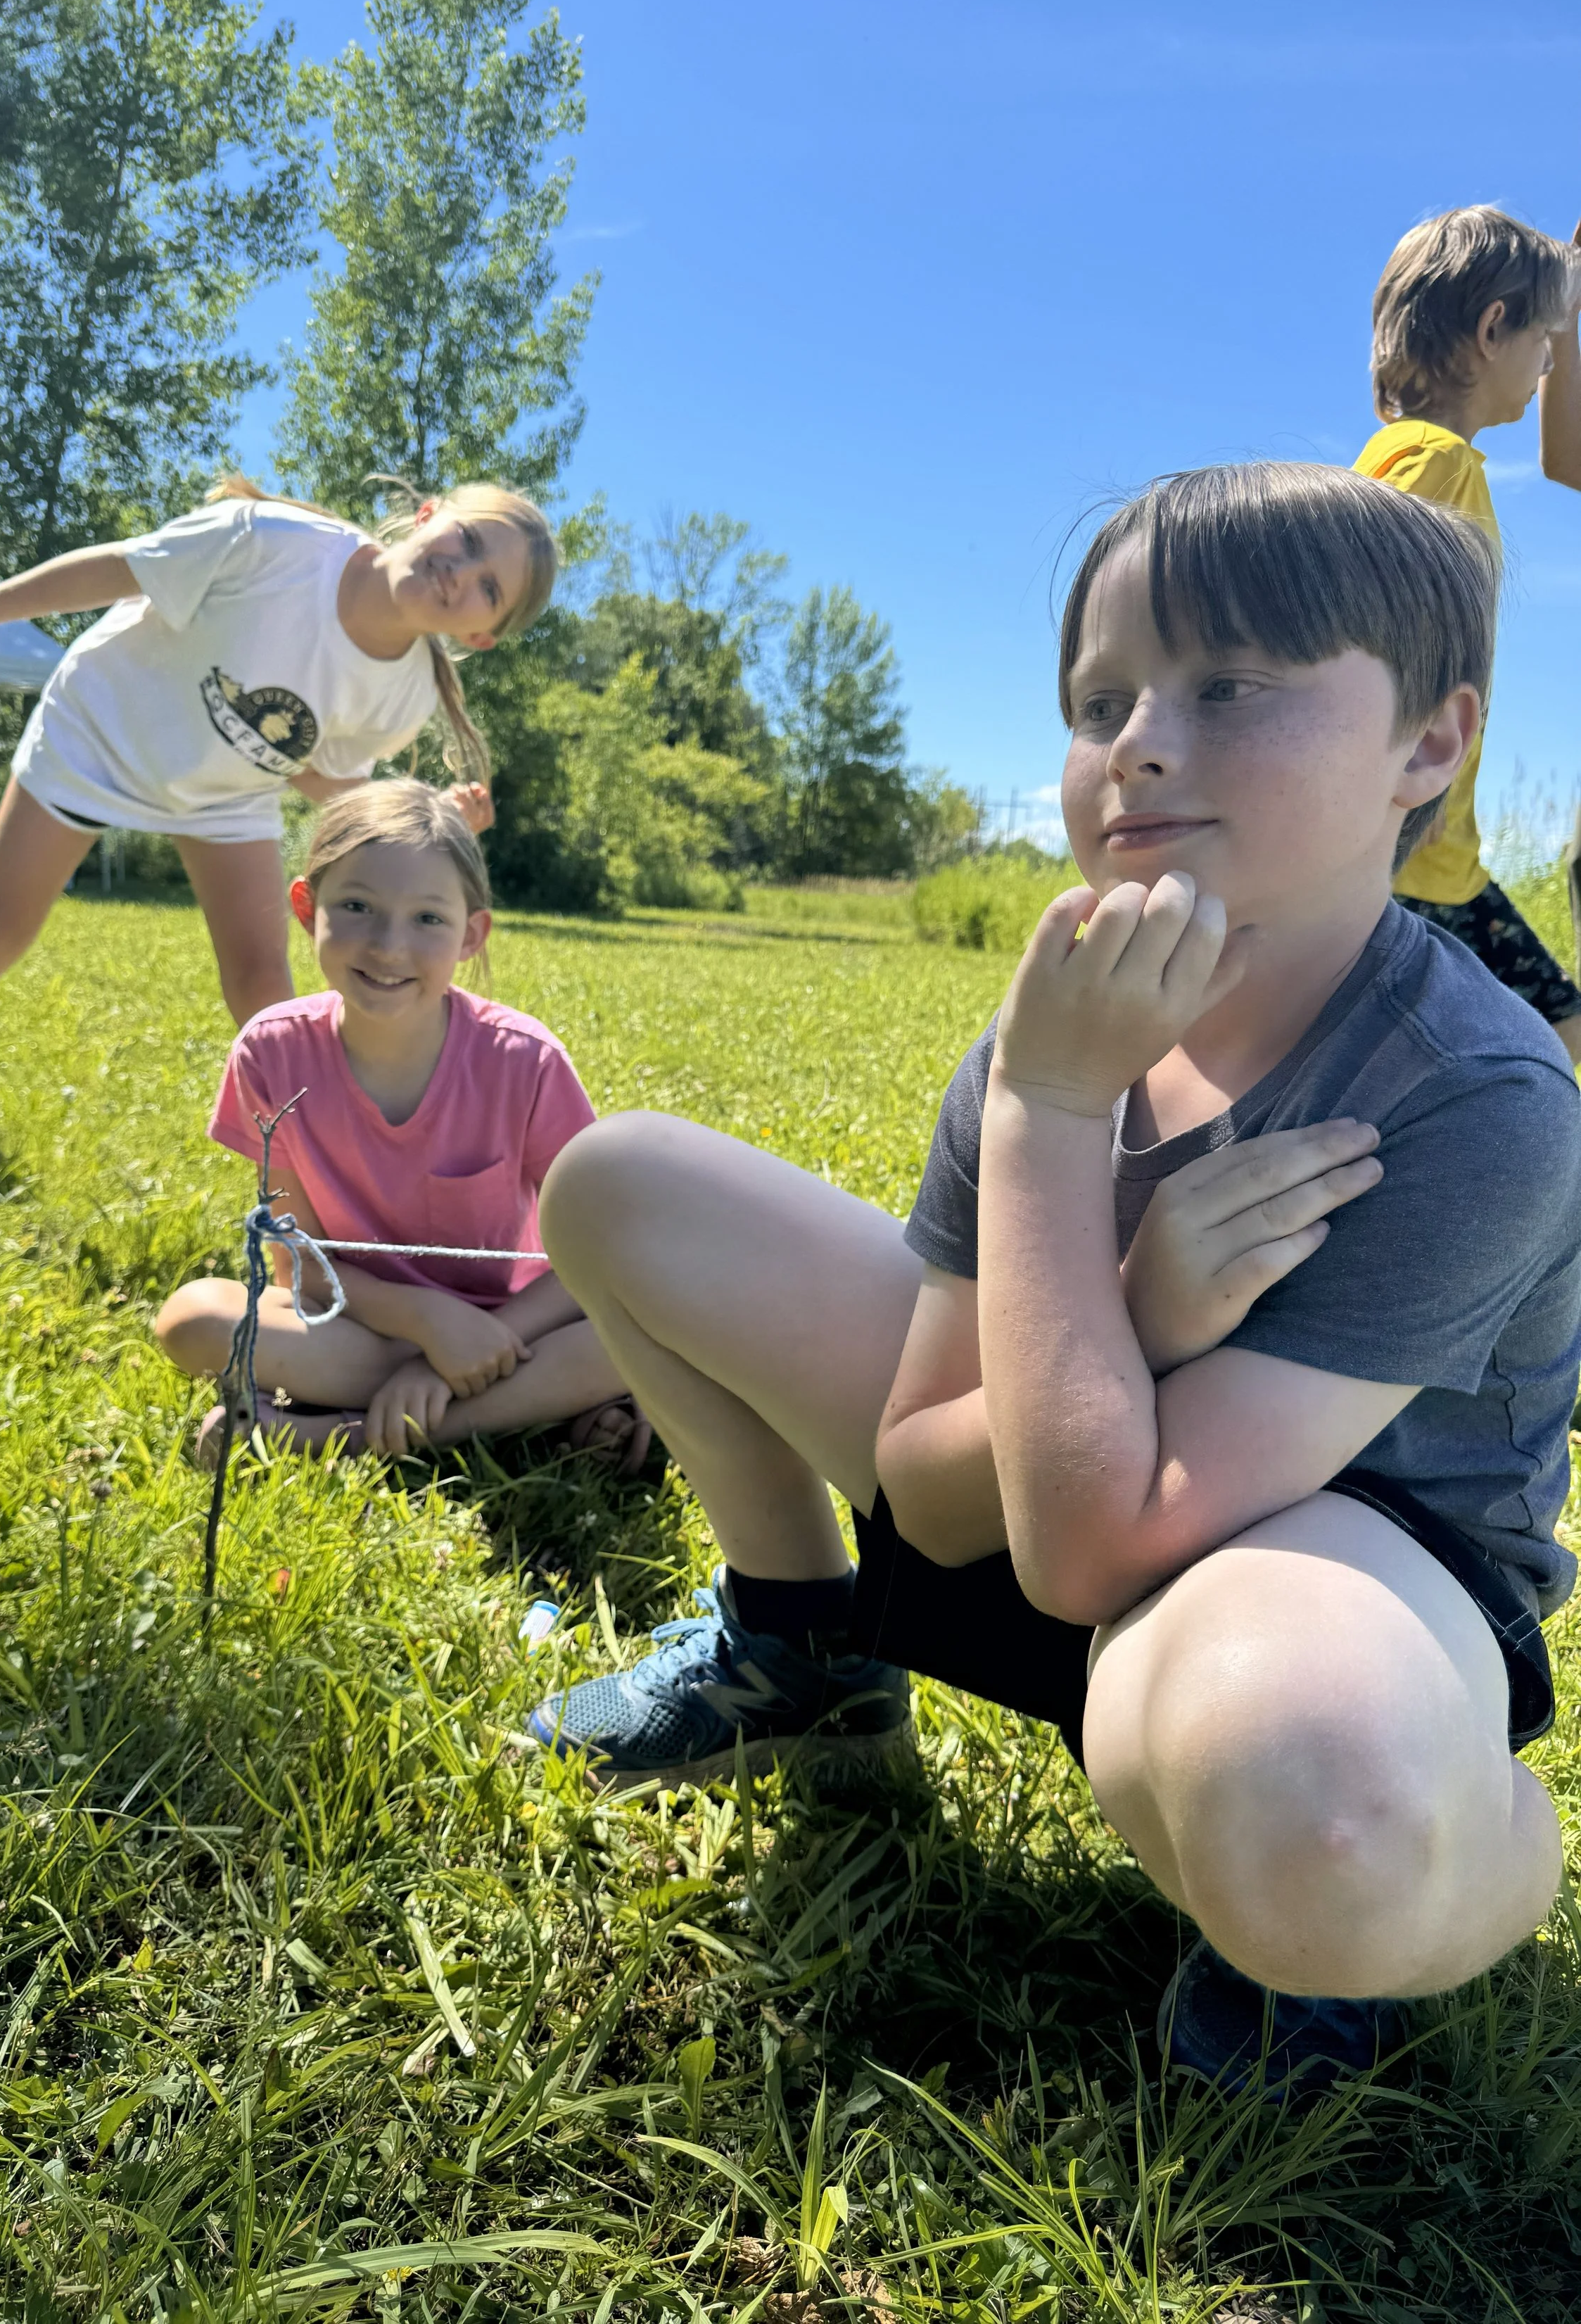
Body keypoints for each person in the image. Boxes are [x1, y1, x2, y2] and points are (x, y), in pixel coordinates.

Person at [527, 462, 1581, 2094]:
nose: (1140, 742)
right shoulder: (1058, 1033)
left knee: (1333, 1819)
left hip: (1348, 1573)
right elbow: (944, 1502)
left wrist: (1059, 1136)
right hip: (1079, 1506)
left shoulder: (1477, 1094)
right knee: (623, 1184)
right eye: (1102, 701)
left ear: (1428, 747)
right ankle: (802, 1647)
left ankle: (1467, 1838)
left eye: (1230, 683)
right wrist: (1082, 1180)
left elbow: (1091, 1541)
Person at [0, 472, 558, 1234]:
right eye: (467, 541)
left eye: (486, 588)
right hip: (99, 735)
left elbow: (319, 774)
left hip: (225, 791)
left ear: (482, 635)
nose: (459, 572)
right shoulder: (275, 545)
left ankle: (334, 1195)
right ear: (429, 514)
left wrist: (426, 826)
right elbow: (111, 568)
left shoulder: (403, 698)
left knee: (261, 983)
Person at [154, 779, 648, 1470]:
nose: (388, 946)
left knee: (632, 1336)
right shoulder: (271, 1050)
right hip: (361, 1325)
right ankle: (529, 1415)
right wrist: (424, 1324)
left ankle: (332, 1438)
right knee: (194, 1319)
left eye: (427, 919)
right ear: (306, 908)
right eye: (356, 907)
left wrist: (463, 1352)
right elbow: (300, 1261)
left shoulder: (524, 1061)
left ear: (471, 934)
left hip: (514, 1331)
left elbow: (596, 1255)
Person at [1354, 206, 1581, 1058]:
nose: (1547, 363)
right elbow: (1358, 620)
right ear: (1494, 329)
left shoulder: (1426, 456)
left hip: (1439, 858)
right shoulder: (1432, 464)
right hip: (1404, 857)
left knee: (1546, 1030)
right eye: (1543, 341)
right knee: (1509, 1044)